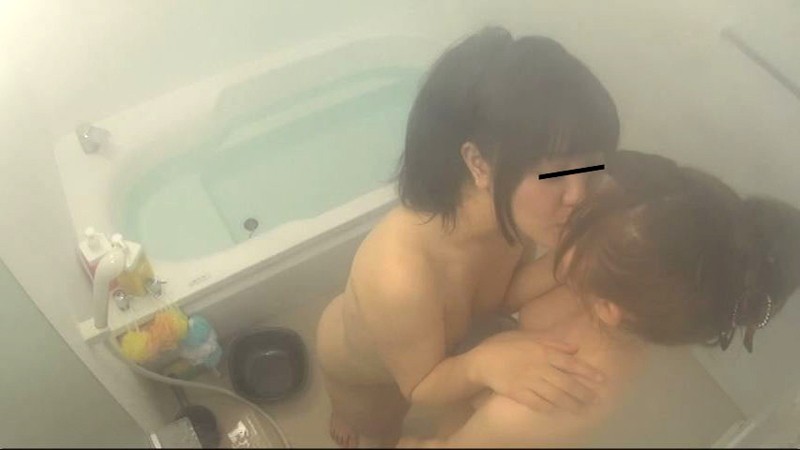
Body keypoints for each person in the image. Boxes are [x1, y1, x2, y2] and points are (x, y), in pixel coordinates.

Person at [315, 27, 620, 447]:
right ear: (478, 163)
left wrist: (566, 261)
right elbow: (420, 385)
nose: (579, 196)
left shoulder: (509, 217)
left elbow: (499, 296)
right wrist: (483, 363)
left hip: (417, 339)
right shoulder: (400, 275)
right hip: (365, 374)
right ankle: (345, 413)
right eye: (555, 174)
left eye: (591, 168)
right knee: (379, 430)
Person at [399, 150, 800, 447]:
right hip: (489, 376)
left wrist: (473, 373)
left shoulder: (559, 397)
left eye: (579, 226)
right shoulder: (609, 274)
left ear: (607, 307)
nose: (569, 209)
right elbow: (503, 298)